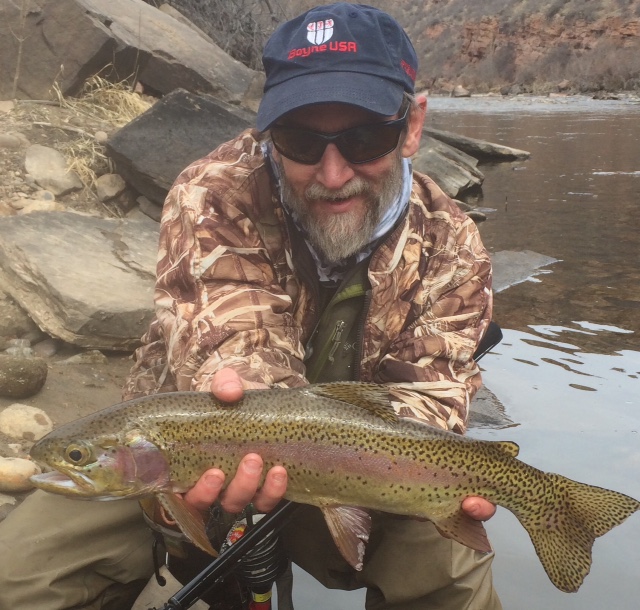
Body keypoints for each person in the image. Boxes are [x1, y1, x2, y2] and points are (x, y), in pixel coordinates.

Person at [0, 3, 501, 609]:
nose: (334, 171)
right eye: (300, 140)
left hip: (370, 464)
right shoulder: (214, 193)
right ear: (267, 132)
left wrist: (447, 479)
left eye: (366, 138)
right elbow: (239, 355)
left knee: (453, 579)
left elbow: (434, 401)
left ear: (412, 126)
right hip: (183, 447)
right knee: (20, 583)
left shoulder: (453, 243)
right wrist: (262, 452)